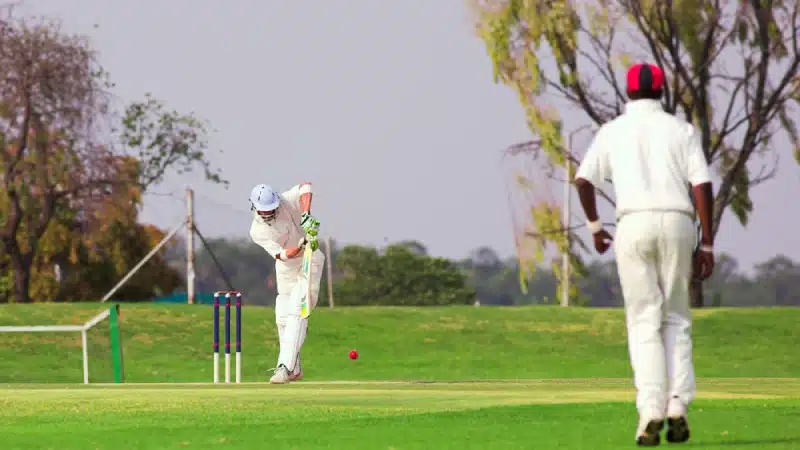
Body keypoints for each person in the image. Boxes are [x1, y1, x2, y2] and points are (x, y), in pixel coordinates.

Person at [573, 62, 715, 446]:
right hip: (677, 222)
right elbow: (701, 184)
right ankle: (677, 405)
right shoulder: (681, 130)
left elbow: (583, 180)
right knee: (676, 319)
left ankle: (650, 408)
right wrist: (707, 243)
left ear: (629, 92)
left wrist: (596, 228)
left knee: (642, 321)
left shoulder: (612, 131)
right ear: (661, 91)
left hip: (632, 223)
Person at [248, 182, 324, 384]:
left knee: (298, 308)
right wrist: (299, 246)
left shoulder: (285, 200)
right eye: (265, 211)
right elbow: (282, 255)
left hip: (311, 259)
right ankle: (295, 368)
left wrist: (306, 214)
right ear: (255, 208)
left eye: (271, 208)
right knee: (282, 315)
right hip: (287, 265)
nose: (269, 213)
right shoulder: (257, 231)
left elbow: (306, 187)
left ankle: (285, 366)